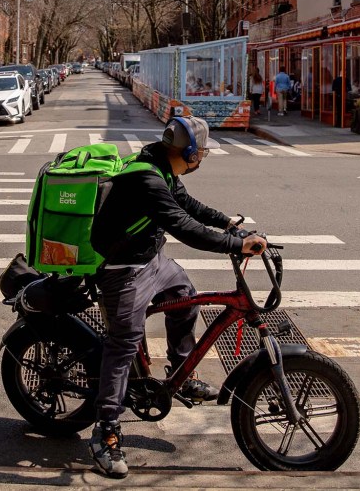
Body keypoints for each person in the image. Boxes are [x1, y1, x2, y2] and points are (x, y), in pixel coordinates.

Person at [87, 116, 267, 478]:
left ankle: (181, 375)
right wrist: (237, 245)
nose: (202, 158)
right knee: (124, 344)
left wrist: (229, 224)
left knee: (185, 296)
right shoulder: (147, 177)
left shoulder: (162, 167)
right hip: (124, 270)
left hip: (149, 259)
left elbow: (188, 205)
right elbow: (182, 225)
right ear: (187, 152)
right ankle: (105, 431)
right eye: (200, 152)